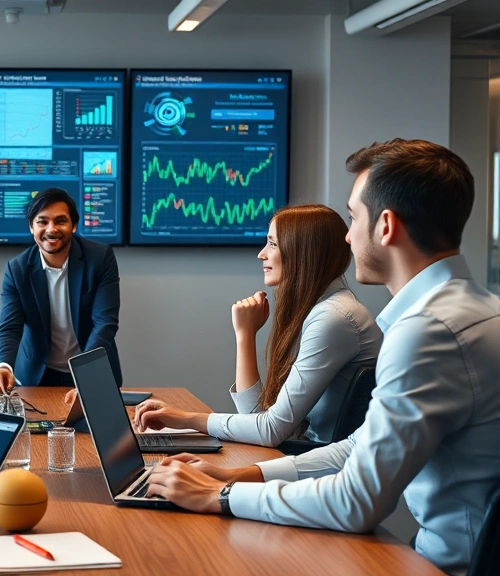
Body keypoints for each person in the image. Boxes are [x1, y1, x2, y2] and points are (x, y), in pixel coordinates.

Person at [143, 139, 500, 576]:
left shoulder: (426, 332)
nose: (347, 236)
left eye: (353, 217)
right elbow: (356, 446)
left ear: (385, 226)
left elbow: (357, 502)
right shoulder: (478, 310)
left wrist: (215, 497)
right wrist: (241, 476)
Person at [134, 205, 382, 446]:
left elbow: (270, 431)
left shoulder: (333, 319)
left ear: (303, 252)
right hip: (305, 454)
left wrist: (184, 419)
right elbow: (256, 418)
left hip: (316, 466)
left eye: (273, 244)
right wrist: (246, 335)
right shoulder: (324, 310)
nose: (261, 254)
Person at [0, 188, 120, 394]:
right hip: (38, 376)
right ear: (31, 226)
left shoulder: (100, 258)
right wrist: (3, 366)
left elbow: (105, 323)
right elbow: (10, 327)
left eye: (60, 221)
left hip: (91, 370)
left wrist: (86, 375)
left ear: (74, 225)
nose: (51, 229)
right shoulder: (17, 269)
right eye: (42, 221)